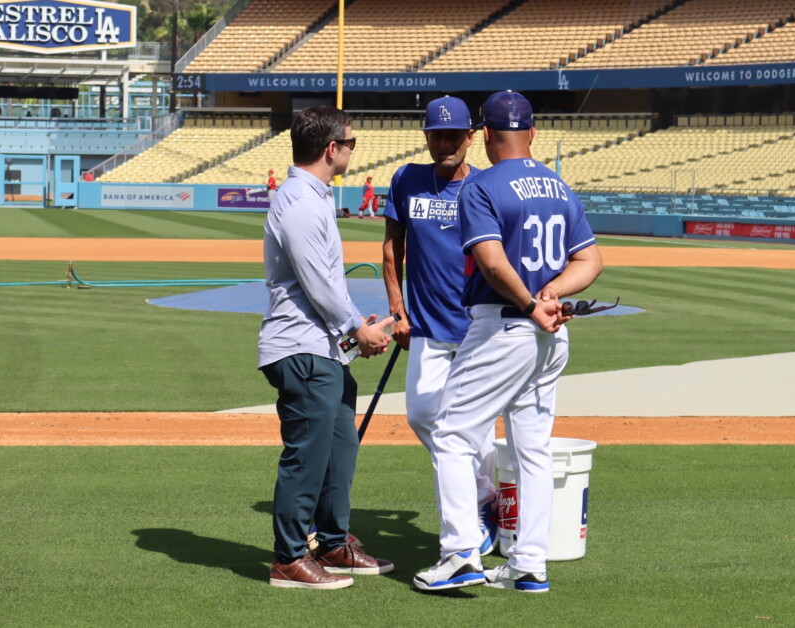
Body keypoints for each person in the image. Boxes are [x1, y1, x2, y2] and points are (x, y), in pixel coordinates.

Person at [414, 91, 603, 593]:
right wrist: (550, 294)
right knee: (533, 448)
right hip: (551, 332)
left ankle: (460, 554)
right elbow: (590, 264)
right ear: (533, 133)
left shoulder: (483, 185)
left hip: (506, 326)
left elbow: (494, 263)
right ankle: (529, 563)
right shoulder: (559, 186)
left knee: (452, 434)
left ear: (488, 136)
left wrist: (528, 302)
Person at [258, 105, 396, 590]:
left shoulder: (311, 197)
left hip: (324, 348)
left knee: (340, 448)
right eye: (351, 143)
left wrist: (357, 328)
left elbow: (326, 285)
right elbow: (318, 283)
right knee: (307, 456)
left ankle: (333, 542)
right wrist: (357, 327)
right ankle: (289, 558)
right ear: (330, 148)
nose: (353, 151)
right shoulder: (298, 200)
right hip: (301, 348)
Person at [381, 95, 498, 559]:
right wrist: (397, 308)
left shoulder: (488, 186)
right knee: (422, 415)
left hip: (479, 327)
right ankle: (484, 497)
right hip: (427, 325)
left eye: (454, 135)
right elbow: (393, 249)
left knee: (479, 430)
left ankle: (482, 509)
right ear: (426, 137)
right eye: (437, 135)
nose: (446, 143)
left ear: (471, 137)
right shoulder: (407, 179)